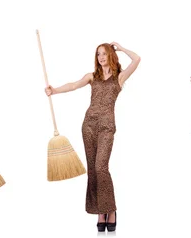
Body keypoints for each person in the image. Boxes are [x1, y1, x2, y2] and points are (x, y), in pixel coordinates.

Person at [45, 42, 140, 232]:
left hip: (106, 127)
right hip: (88, 125)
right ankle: (99, 211)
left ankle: (110, 209)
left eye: (104, 54)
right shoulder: (92, 77)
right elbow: (73, 85)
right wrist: (54, 90)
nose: (101, 57)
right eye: (98, 54)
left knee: (101, 167)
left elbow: (137, 59)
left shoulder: (119, 78)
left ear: (111, 55)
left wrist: (120, 47)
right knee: (93, 170)